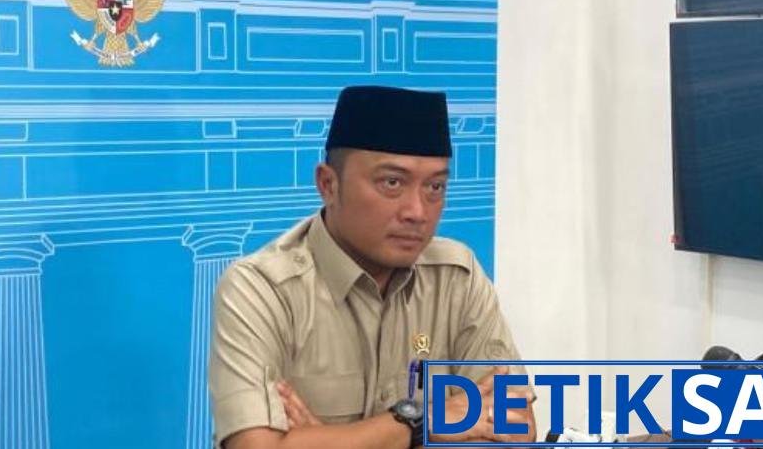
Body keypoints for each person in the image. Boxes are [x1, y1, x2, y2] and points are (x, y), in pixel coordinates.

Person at [209, 85, 536, 449]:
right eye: (392, 183)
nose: (417, 211)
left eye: (435, 187)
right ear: (328, 185)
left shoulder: (457, 277)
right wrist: (423, 423)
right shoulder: (261, 289)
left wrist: (329, 441)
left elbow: (516, 426)